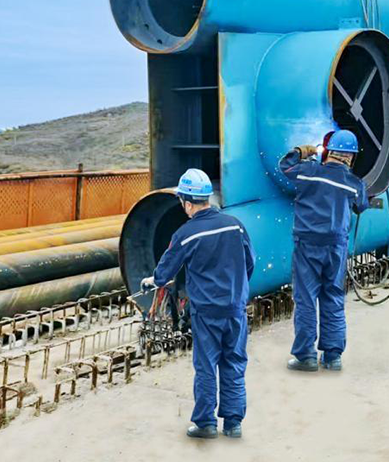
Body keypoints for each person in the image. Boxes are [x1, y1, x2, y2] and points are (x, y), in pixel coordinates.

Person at [141, 168, 255, 440]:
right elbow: (249, 262)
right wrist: (237, 290)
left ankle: (205, 423)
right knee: (234, 362)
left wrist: (152, 280)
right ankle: (233, 424)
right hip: (235, 308)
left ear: (188, 203)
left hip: (207, 312)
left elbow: (165, 273)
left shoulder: (186, 234)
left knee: (206, 365)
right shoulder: (235, 225)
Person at [278, 129, 371, 372]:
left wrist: (301, 151)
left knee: (306, 299)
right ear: (351, 157)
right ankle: (332, 357)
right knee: (333, 297)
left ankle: (306, 357)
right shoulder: (354, 184)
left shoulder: (309, 172)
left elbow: (284, 166)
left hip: (307, 245)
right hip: (336, 247)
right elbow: (362, 205)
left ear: (328, 151)